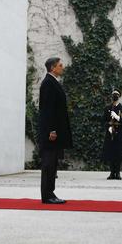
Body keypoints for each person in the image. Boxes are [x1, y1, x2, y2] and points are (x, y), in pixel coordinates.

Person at [38, 57, 73, 204]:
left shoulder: (53, 82)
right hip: (51, 133)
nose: (62, 67)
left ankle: (50, 192)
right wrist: (51, 130)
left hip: (55, 132)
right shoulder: (48, 83)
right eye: (60, 65)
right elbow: (47, 110)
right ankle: (47, 195)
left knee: (52, 164)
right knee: (48, 164)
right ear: (53, 67)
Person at [102, 89, 122, 180]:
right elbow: (104, 120)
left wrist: (118, 118)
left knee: (118, 153)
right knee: (111, 152)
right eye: (113, 94)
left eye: (116, 94)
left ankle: (117, 173)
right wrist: (108, 127)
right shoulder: (107, 108)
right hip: (110, 132)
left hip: (119, 133)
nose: (115, 96)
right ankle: (111, 173)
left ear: (119, 96)